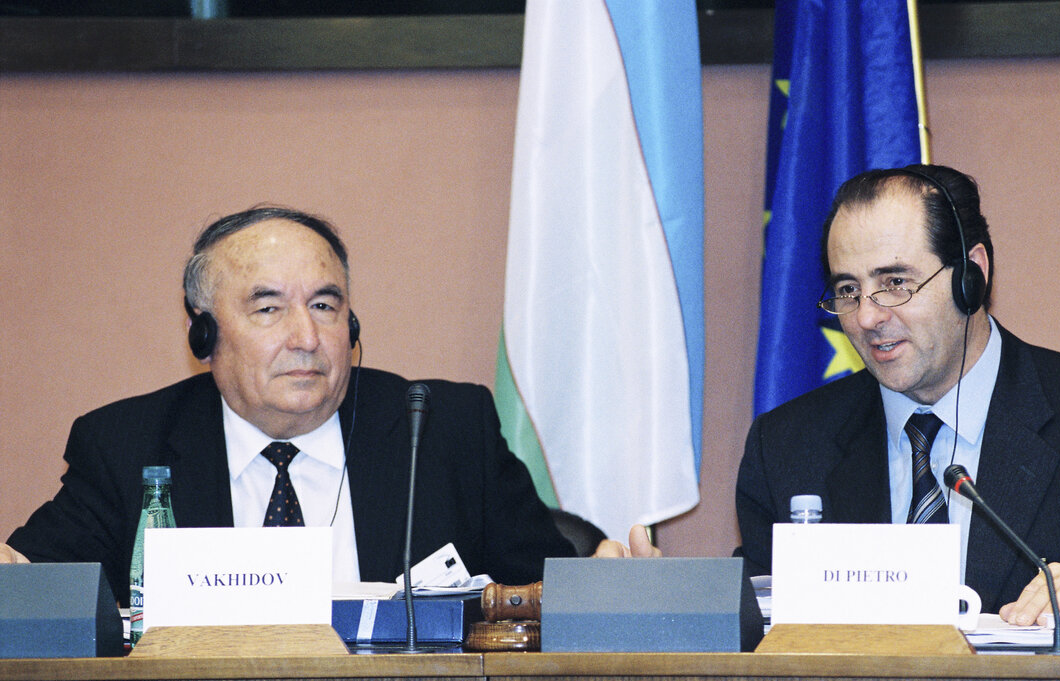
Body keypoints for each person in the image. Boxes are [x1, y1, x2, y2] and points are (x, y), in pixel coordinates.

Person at [2, 206, 653, 604]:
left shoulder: (444, 429)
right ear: (204, 333)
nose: (306, 337)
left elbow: (551, 582)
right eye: (268, 308)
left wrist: (606, 588)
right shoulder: (127, 444)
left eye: (324, 305)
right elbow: (33, 585)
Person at [736, 164, 1060, 624]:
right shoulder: (785, 446)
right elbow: (751, 619)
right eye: (847, 289)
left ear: (972, 275)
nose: (865, 318)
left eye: (895, 283)